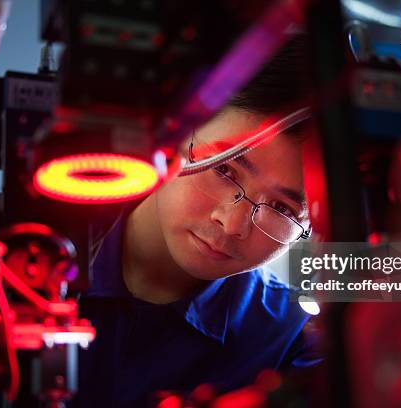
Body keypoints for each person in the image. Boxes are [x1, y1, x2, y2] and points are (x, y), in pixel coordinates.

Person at [76, 36, 322, 407]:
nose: (233, 223)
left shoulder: (288, 344)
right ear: (172, 130)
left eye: (284, 209)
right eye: (224, 168)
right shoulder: (14, 261)